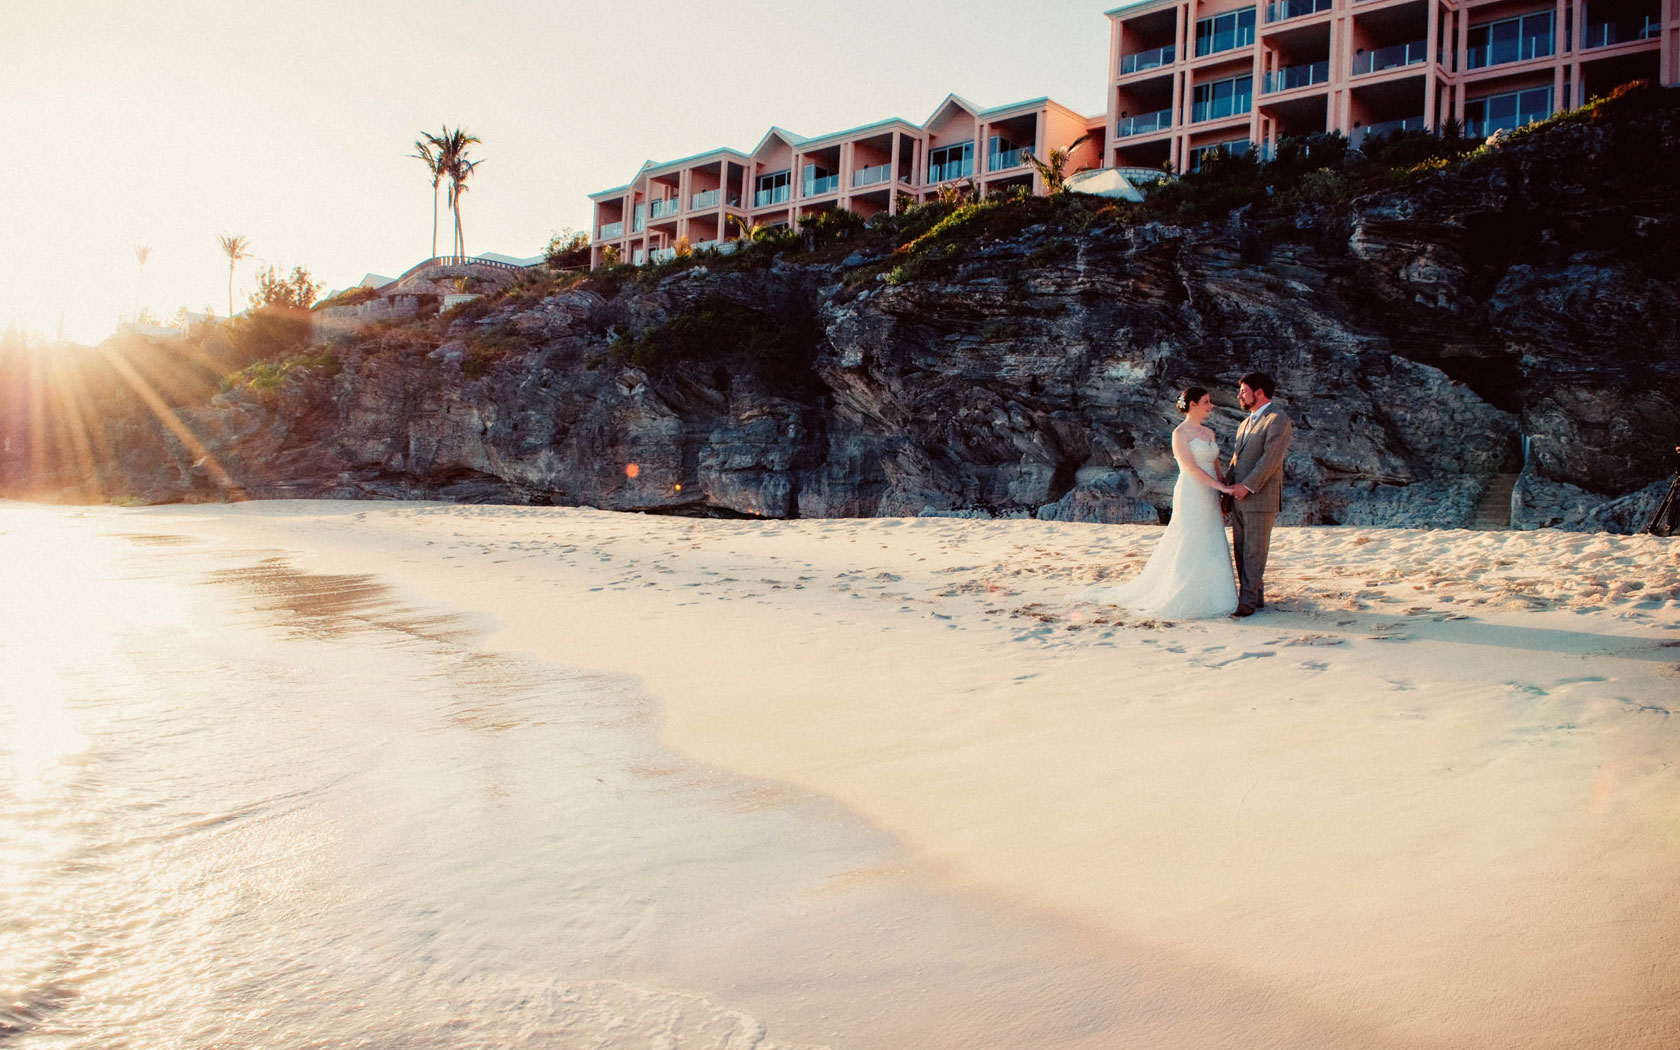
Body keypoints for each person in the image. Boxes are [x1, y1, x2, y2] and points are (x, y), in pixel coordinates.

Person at [1086, 387, 1238, 619]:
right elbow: (1190, 467)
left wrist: (1223, 490)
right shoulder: (1180, 433)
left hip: (1211, 492)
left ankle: (1217, 596)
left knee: (1212, 537)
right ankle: (1184, 592)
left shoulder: (1209, 433)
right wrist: (1219, 487)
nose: (1211, 406)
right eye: (1206, 402)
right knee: (1190, 538)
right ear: (1193, 405)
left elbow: (1215, 466)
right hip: (1192, 491)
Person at [1226, 371, 1293, 618]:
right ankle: (1257, 598)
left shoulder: (1278, 419)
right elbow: (1236, 459)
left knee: (1255, 551)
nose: (1239, 396)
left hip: (1260, 497)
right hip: (1238, 498)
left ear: (1259, 392)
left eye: (1243, 391)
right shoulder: (1245, 423)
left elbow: (1270, 459)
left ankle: (1247, 602)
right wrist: (1227, 490)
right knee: (1242, 550)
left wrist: (1248, 486)